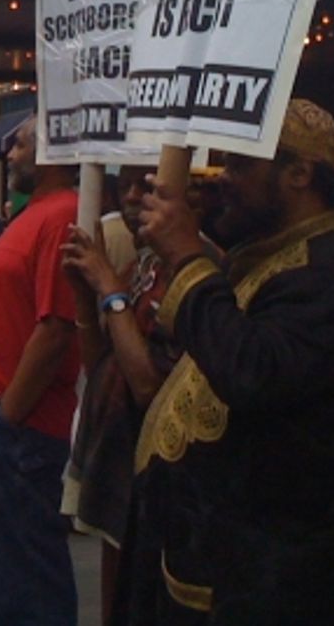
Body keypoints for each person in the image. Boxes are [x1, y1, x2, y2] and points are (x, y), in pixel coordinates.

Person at [125, 99, 334, 624]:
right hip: (221, 562)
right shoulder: (268, 256)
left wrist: (186, 257)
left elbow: (254, 372)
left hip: (279, 577)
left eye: (241, 164)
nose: (224, 178)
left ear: (299, 173)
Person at [0, 117, 79, 626]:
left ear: (52, 153)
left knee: (23, 573)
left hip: (12, 422)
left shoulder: (65, 213)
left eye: (21, 144)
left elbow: (55, 328)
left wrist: (8, 415)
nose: (11, 153)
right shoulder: (33, 214)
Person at [60, 166, 197, 625]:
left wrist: (111, 291)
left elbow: (147, 386)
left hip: (159, 483)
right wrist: (86, 299)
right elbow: (103, 363)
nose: (136, 197)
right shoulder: (142, 263)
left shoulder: (196, 270)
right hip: (118, 472)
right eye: (127, 187)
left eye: (149, 186)